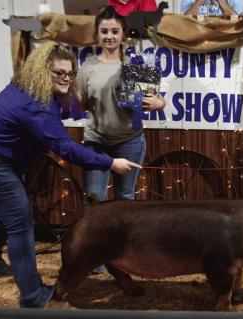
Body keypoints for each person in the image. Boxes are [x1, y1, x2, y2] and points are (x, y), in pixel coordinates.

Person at [0, 42, 141, 308]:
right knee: (20, 221)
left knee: (8, 214)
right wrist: (111, 163)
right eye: (59, 73)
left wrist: (124, 103)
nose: (66, 78)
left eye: (69, 74)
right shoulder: (35, 104)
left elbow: (70, 110)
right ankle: (33, 296)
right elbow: (65, 148)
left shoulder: (34, 91)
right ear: (42, 71)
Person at [76, 6, 166, 273]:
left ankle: (123, 257)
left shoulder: (135, 66)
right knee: (95, 200)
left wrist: (159, 102)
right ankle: (95, 259)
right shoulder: (88, 66)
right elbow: (79, 103)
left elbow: (157, 99)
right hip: (96, 143)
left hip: (130, 141)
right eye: (104, 31)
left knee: (125, 201)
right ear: (97, 34)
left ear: (123, 34)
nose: (109, 36)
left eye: (115, 31)